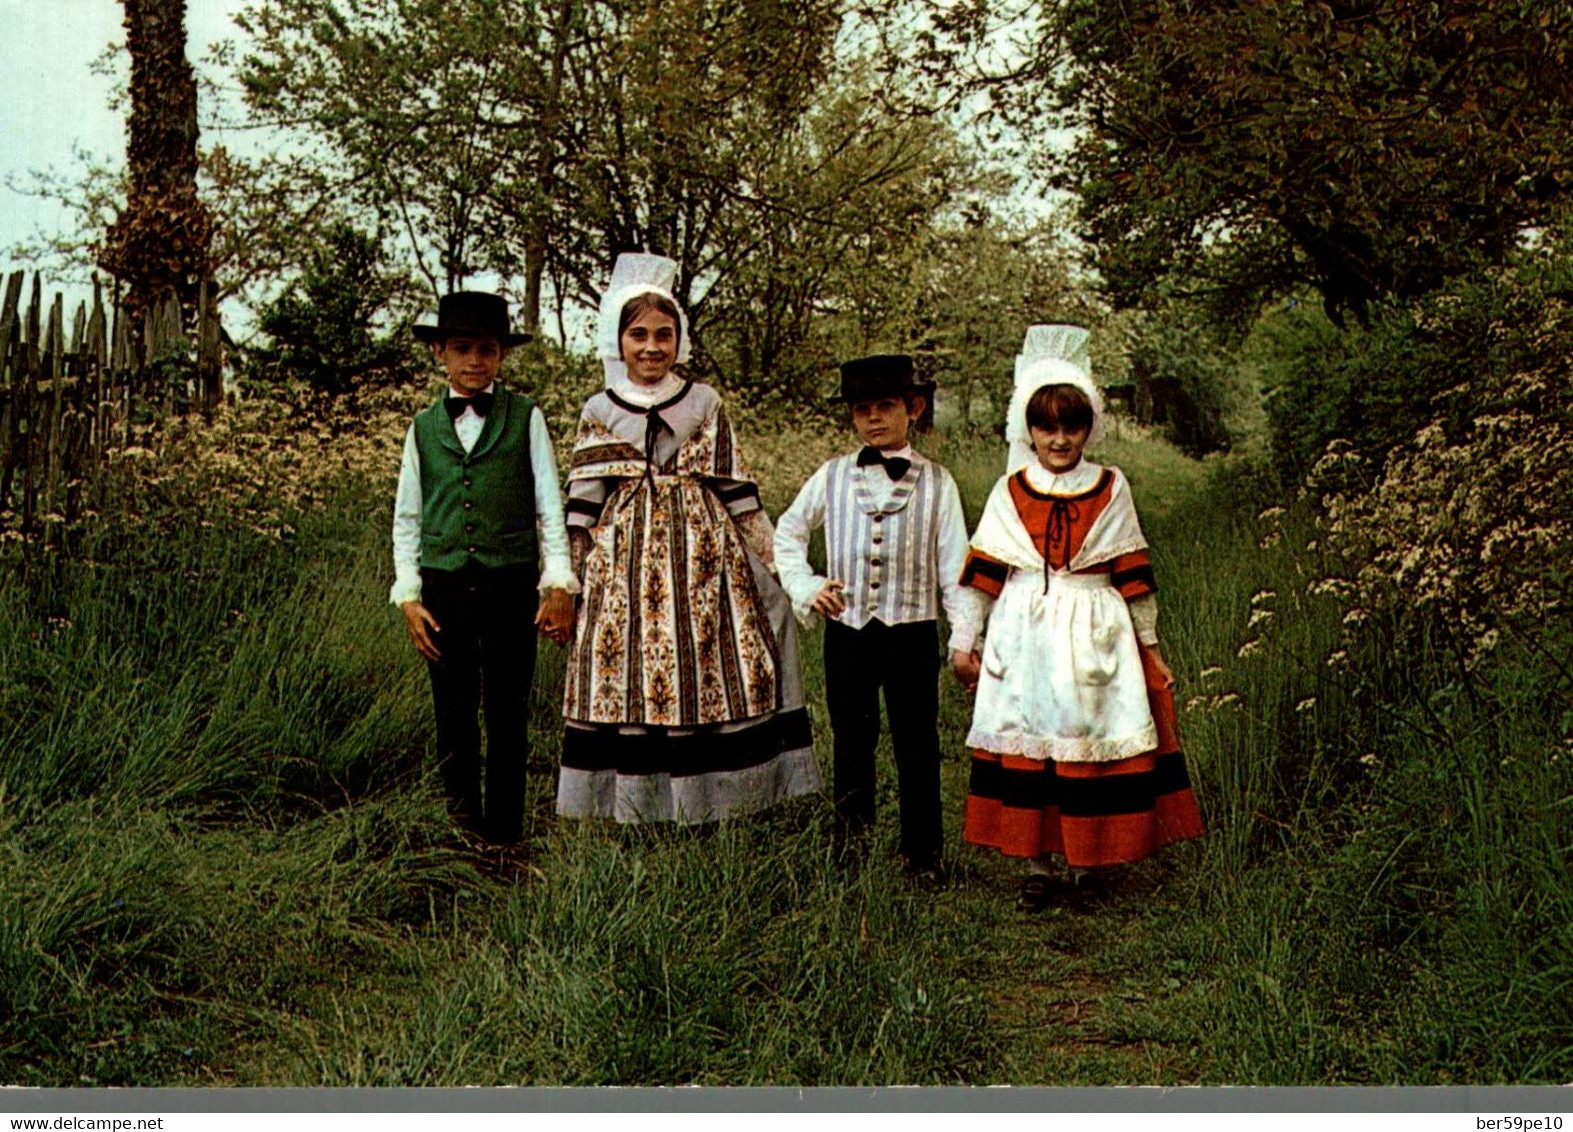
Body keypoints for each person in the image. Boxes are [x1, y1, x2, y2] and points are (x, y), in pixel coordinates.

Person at [556, 252, 821, 824]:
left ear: (679, 339)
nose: (651, 347)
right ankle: (636, 809)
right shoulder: (600, 409)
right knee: (628, 676)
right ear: (618, 340)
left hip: (703, 566)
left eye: (663, 334)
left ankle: (709, 805)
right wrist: (566, 581)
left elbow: (739, 495)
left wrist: (785, 573)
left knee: (707, 669)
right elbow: (583, 505)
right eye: (638, 335)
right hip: (624, 569)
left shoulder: (703, 402)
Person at [958, 324, 1204, 910]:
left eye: (1072, 426)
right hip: (1026, 634)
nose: (1060, 440)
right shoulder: (1010, 490)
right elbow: (984, 570)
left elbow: (1134, 573)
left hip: (1095, 632)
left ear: (1088, 427)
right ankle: (1038, 864)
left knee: (1087, 740)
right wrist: (965, 640)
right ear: (1029, 429)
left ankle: (1088, 864)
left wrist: (1150, 645)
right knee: (1035, 744)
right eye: (1047, 427)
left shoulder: (1111, 487)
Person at [774, 354, 982, 877]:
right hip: (849, 632)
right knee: (851, 740)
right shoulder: (831, 476)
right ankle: (851, 849)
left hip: (911, 631)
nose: (873, 418)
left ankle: (924, 855)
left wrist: (964, 639)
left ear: (912, 408)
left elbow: (955, 567)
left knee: (918, 743)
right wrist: (807, 585)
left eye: (885, 406)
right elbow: (789, 532)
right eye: (862, 408)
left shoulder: (939, 483)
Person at [391, 291, 577, 847]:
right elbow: (408, 517)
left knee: (506, 709)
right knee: (451, 711)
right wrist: (409, 594)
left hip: (509, 583)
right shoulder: (423, 427)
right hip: (444, 587)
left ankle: (505, 834)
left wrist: (557, 580)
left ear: (502, 356)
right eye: (464, 349)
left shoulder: (526, 418)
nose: (476, 361)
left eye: (488, 350)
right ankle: (460, 827)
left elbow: (550, 506)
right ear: (440, 355)